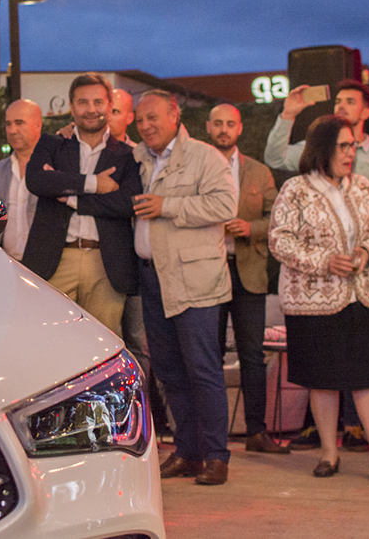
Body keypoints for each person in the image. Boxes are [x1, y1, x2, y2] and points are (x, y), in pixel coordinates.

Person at [267, 80, 369, 451]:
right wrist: (325, 261)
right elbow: (280, 240)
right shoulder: (296, 189)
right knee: (322, 380)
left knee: (367, 378)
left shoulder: (363, 187)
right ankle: (328, 454)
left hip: (361, 298)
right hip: (313, 303)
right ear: (323, 148)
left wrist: (365, 255)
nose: (350, 153)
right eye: (342, 146)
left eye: (353, 146)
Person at [132, 90, 237, 486]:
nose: (146, 126)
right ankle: (188, 452)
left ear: (175, 116)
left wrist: (168, 206)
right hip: (152, 277)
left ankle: (216, 456)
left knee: (203, 370)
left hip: (194, 280)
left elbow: (226, 205)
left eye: (153, 118)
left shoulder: (205, 156)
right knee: (171, 372)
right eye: (140, 120)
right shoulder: (138, 157)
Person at [23, 73, 141, 334]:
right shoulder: (52, 143)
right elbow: (37, 180)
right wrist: (94, 184)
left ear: (110, 106)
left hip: (105, 264)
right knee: (49, 338)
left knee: (103, 344)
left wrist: (73, 199)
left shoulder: (128, 156)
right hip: (55, 259)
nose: (91, 110)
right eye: (83, 102)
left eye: (98, 102)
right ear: (72, 107)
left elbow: (126, 203)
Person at [206, 103, 287, 454]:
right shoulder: (199, 166)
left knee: (252, 355)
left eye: (230, 124)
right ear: (208, 127)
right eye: (218, 124)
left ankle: (257, 432)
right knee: (208, 356)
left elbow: (277, 218)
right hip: (208, 270)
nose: (224, 129)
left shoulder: (258, 171)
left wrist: (250, 228)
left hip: (248, 272)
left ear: (240, 129)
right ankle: (211, 437)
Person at [264, 80, 369, 225]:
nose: (341, 106)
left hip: (361, 242)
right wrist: (288, 114)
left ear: (365, 112)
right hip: (319, 241)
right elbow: (275, 158)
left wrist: (360, 238)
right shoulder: (316, 148)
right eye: (338, 101)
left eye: (350, 102)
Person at [0, 99, 41, 260]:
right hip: (6, 262)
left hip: (44, 265)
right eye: (8, 124)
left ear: (38, 125)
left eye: (19, 123)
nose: (12, 130)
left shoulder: (52, 166)